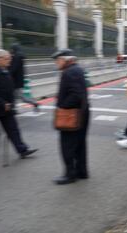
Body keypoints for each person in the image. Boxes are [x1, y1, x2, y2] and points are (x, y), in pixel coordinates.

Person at [0, 49, 38, 158]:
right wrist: (2, 103)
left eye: (10, 59)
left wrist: (11, 104)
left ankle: (22, 150)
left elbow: (8, 88)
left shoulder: (5, 70)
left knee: (13, 129)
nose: (10, 61)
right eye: (7, 59)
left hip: (6, 108)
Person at [52, 49, 90, 185]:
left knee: (67, 145)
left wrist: (62, 106)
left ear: (65, 60)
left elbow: (75, 95)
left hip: (72, 114)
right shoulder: (78, 69)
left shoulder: (68, 72)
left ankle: (70, 174)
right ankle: (82, 171)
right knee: (80, 144)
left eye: (57, 60)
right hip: (82, 113)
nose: (56, 63)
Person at [9, 44, 39, 112]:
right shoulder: (19, 56)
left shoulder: (17, 57)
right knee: (14, 96)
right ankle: (14, 109)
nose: (10, 51)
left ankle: (34, 103)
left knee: (20, 97)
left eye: (11, 49)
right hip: (18, 80)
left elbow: (14, 68)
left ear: (14, 49)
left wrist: (8, 73)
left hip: (16, 81)